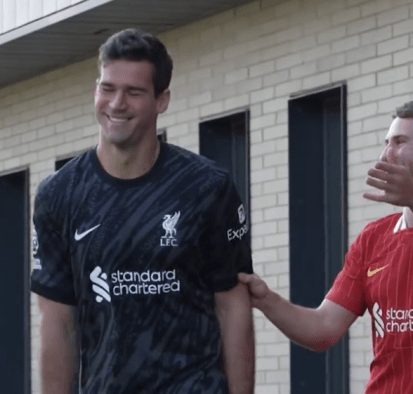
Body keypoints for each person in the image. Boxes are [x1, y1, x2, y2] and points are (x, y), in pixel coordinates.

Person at [31, 28, 254, 394]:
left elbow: (233, 308)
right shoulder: (60, 194)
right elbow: (57, 323)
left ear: (161, 100)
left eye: (133, 93)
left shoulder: (208, 188)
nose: (117, 104)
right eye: (108, 88)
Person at [239, 99, 413, 393]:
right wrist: (266, 299)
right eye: (386, 143)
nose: (386, 154)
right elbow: (323, 329)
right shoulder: (374, 237)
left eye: (400, 142)